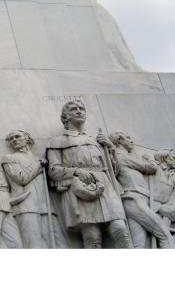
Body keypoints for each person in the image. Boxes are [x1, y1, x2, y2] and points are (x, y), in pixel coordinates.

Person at [47, 100, 133, 248]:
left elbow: (115, 171)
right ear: (65, 117)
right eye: (74, 109)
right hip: (80, 189)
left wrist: (110, 148)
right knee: (92, 236)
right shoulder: (57, 141)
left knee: (120, 229)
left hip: (105, 186)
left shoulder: (96, 141)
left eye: (81, 109)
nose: (79, 111)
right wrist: (76, 171)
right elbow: (53, 171)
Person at [109, 131, 174, 248]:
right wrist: (151, 159)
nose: (131, 140)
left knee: (139, 245)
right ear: (119, 140)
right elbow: (151, 168)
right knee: (165, 236)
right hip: (135, 199)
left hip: (135, 201)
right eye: (127, 138)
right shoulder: (121, 156)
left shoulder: (122, 156)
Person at [2, 130, 54, 248]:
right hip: (26, 206)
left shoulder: (38, 158)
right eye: (11, 138)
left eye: (17, 136)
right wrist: (39, 165)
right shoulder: (9, 158)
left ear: (26, 139)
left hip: (45, 205)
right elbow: (21, 178)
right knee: (33, 245)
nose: (14, 140)